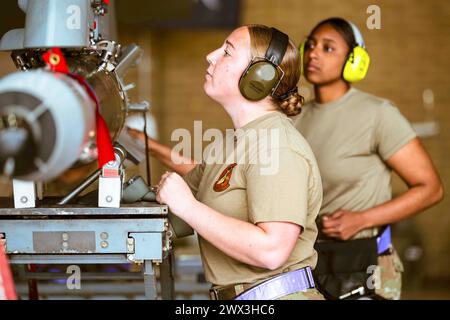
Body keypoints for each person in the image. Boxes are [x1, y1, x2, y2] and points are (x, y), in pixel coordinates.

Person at [132, 25, 324, 300]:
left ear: (259, 76)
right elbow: (169, 211)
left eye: (227, 52)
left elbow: (271, 251)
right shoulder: (228, 144)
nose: (211, 56)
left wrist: (187, 206)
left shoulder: (277, 146)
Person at [294, 17, 444, 300]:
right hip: (307, 261)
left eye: (328, 48)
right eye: (310, 45)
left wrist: (362, 219)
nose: (313, 53)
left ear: (355, 61)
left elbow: (431, 188)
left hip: (364, 262)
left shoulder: (378, 114)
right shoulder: (293, 119)